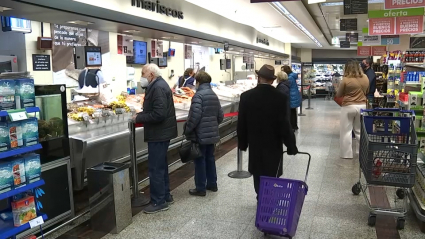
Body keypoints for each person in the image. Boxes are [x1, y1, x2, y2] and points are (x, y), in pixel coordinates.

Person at [237, 64, 298, 200]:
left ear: (259, 78)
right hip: (274, 144)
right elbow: (285, 124)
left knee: (258, 172)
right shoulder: (280, 97)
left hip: (255, 143)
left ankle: (260, 196)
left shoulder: (246, 96)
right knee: (272, 172)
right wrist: (291, 145)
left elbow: (242, 123)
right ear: (272, 80)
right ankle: (268, 198)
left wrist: (242, 143)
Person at [134, 64, 178, 214]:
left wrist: (139, 117)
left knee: (155, 169)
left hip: (159, 134)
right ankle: (165, 196)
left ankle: (159, 201)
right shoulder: (158, 85)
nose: (141, 76)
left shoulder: (157, 87)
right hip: (161, 133)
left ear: (151, 75)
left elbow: (159, 114)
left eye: (143, 73)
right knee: (161, 167)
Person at [184, 71, 224, 196]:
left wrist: (188, 129)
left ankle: (200, 188)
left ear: (198, 82)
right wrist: (212, 125)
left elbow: (194, 117)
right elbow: (221, 116)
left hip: (200, 135)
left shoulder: (198, 96)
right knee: (210, 159)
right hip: (211, 134)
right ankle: (212, 184)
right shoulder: (213, 94)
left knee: (200, 160)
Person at [335, 60, 369, 159]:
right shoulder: (365, 78)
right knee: (360, 130)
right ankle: (362, 152)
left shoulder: (345, 79)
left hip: (348, 106)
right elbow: (367, 91)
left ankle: (346, 154)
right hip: (362, 106)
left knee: (346, 131)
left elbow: (339, 94)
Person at [282, 65, 301, 131]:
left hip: (291, 95)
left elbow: (287, 86)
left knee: (290, 112)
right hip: (294, 94)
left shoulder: (289, 77)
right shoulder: (292, 76)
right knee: (293, 111)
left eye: (282, 70)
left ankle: (292, 126)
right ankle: (294, 125)